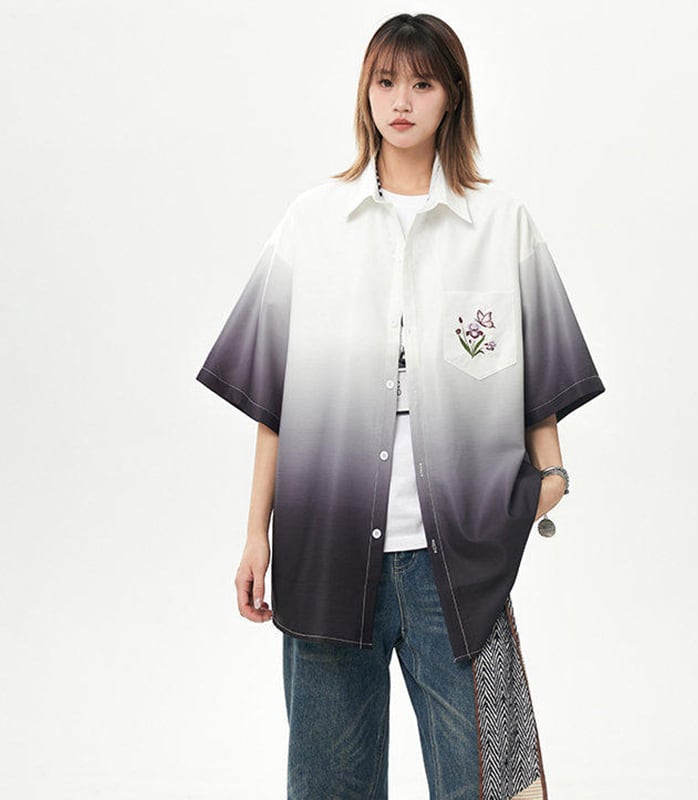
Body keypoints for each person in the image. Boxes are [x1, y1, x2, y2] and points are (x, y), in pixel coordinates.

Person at [196, 12, 605, 800]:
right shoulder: (313, 224)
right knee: (330, 786)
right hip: (325, 552)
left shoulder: (501, 225)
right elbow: (274, 400)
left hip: (459, 566)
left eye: (422, 83)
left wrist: (547, 483)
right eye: (385, 82)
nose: (402, 101)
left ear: (453, 96)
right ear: (366, 93)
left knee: (488, 784)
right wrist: (254, 535)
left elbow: (541, 382)